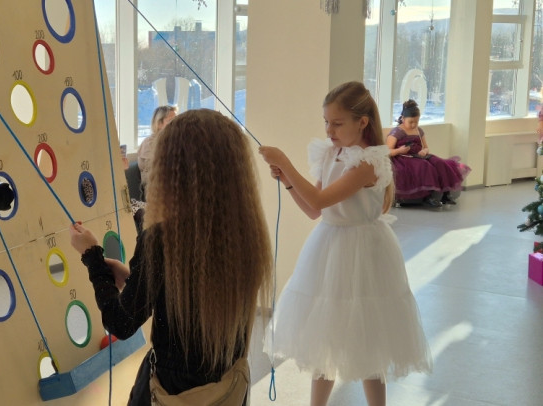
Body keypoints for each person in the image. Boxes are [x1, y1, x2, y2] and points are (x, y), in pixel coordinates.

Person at [69, 109, 272, 405]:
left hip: (172, 393)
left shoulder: (164, 240)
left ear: (172, 172)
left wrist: (92, 257)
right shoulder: (246, 236)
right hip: (227, 390)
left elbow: (121, 323)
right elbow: (193, 297)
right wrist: (136, 279)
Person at [259, 81, 432, 406]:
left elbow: (320, 199)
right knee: (325, 335)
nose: (329, 130)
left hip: (363, 251)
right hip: (329, 246)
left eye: (337, 123)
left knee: (368, 340)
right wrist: (288, 181)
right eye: (326, 122)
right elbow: (314, 210)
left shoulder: (368, 162)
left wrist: (286, 162)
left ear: (362, 122)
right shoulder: (331, 153)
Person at [386, 99, 471, 207]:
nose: (413, 125)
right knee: (425, 166)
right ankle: (430, 197)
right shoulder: (397, 132)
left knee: (440, 163)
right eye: (411, 122)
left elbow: (426, 147)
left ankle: (445, 194)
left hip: (419, 155)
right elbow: (388, 151)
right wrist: (399, 150)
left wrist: (424, 151)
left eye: (416, 122)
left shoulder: (419, 131)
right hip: (403, 158)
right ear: (403, 119)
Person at [137, 105, 177, 187]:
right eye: (171, 121)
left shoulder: (172, 140)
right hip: (155, 188)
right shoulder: (149, 143)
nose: (176, 124)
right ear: (159, 124)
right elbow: (157, 171)